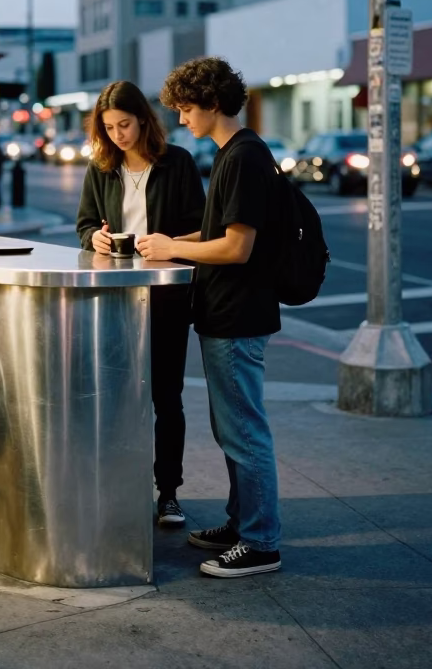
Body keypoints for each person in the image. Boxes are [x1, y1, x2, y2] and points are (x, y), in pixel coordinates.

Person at [138, 57, 282, 579]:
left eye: (185, 109)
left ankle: (262, 543)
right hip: (224, 312)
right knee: (232, 430)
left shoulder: (243, 156)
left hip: (238, 314)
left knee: (244, 431)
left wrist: (175, 246)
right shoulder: (228, 154)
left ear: (212, 103)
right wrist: (168, 244)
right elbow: (216, 230)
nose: (181, 119)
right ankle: (242, 522)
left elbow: (238, 248)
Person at [75, 80, 205, 528]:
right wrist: (95, 236)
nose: (118, 135)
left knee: (167, 397)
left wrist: (168, 245)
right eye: (109, 128)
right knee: (116, 397)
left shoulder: (178, 164)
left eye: (124, 125)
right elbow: (85, 223)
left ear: (145, 120)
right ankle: (118, 486)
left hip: (167, 295)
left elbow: (203, 229)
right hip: (115, 297)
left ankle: (168, 492)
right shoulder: (101, 167)